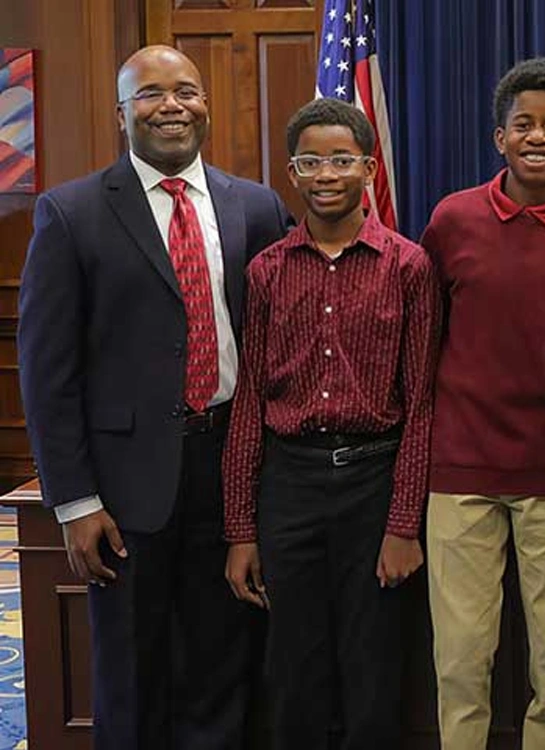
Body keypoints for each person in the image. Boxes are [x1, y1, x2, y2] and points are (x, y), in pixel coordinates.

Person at [17, 45, 288, 750]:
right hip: (124, 488)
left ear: (205, 107)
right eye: (151, 94)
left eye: (186, 91)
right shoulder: (70, 212)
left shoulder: (256, 207)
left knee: (223, 660)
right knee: (132, 671)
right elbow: (48, 372)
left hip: (230, 472)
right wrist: (74, 502)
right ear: (121, 114)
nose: (172, 104)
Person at [220, 97, 439, 749]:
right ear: (292, 172)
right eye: (311, 161)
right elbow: (251, 401)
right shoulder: (266, 271)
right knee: (293, 667)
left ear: (369, 168)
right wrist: (240, 529)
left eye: (341, 160)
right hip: (289, 484)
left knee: (373, 667)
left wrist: (403, 525)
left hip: (373, 481)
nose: (326, 174)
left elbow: (422, 403)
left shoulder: (409, 267)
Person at [419, 58, 545, 749]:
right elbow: (425, 346)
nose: (538, 136)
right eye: (524, 124)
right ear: (499, 137)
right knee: (463, 660)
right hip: (461, 476)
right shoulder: (452, 220)